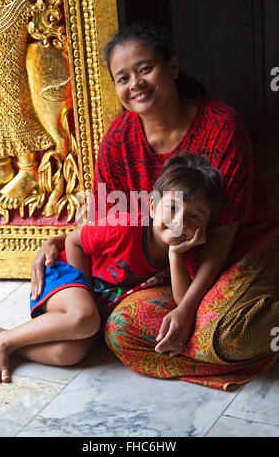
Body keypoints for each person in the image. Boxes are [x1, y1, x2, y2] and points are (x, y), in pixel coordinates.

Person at [30, 21, 279, 390]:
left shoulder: (220, 125)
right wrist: (58, 241)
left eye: (145, 69)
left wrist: (186, 309)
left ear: (173, 67)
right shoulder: (118, 140)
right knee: (118, 331)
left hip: (239, 249)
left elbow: (224, 233)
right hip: (168, 269)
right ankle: (204, 344)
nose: (136, 84)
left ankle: (232, 329)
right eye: (123, 77)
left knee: (231, 336)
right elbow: (106, 217)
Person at [0, 152, 222, 383]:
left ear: (205, 226)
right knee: (84, 317)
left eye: (195, 217)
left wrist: (175, 254)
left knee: (70, 353)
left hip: (91, 303)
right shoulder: (126, 227)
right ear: (152, 206)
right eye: (172, 208)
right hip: (62, 275)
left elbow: (183, 301)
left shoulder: (187, 251)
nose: (179, 221)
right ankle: (5, 343)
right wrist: (83, 292)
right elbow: (75, 242)